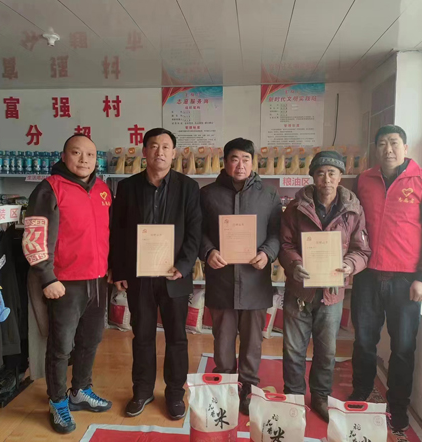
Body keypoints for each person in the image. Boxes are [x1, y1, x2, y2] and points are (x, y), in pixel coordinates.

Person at [350, 125, 422, 431]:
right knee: (363, 341)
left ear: (405, 148)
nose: (388, 149)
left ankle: (398, 406)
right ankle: (361, 391)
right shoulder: (363, 180)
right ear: (376, 149)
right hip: (367, 276)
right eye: (382, 144)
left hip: (406, 281)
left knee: (403, 347)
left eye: (394, 143)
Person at [109, 128, 202, 420]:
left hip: (175, 276)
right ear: (144, 151)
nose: (159, 152)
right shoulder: (128, 187)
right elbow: (118, 231)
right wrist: (119, 268)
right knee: (142, 336)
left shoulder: (188, 187)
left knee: (177, 338)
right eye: (153, 146)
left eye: (165, 147)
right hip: (139, 276)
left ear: (174, 153)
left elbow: (195, 231)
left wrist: (184, 266)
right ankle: (142, 391)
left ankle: (174, 394)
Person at [23, 134, 112, 434]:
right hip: (64, 283)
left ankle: (80, 390)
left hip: (98, 280)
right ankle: (58, 400)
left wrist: (111, 268)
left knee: (91, 340)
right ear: (64, 156)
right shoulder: (50, 188)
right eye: (76, 153)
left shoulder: (102, 190)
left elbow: (108, 233)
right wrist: (47, 276)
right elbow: (34, 236)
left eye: (90, 155)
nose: (84, 160)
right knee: (61, 346)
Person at [279, 151, 371, 422]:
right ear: (312, 177)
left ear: (340, 177)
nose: (326, 179)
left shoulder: (353, 210)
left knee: (326, 351)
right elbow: (285, 245)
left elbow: (362, 250)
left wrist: (350, 265)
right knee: (293, 349)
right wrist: (295, 264)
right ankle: (294, 396)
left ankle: (320, 396)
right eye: (320, 173)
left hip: (332, 293)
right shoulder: (295, 208)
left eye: (332, 173)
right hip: (300, 290)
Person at [199, 138, 282, 415]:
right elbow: (198, 231)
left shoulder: (269, 195)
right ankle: (225, 385)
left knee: (252, 340)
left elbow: (276, 233)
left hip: (255, 280)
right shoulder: (208, 194)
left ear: (253, 162)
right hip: (221, 279)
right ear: (225, 162)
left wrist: (267, 253)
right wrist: (208, 251)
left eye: (246, 159)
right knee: (222, 338)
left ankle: (248, 386)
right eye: (234, 159)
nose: (240, 165)